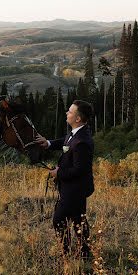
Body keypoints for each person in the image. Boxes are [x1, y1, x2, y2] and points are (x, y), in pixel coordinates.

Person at [36, 100, 94, 258]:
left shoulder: (82, 142)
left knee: (58, 220)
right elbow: (65, 142)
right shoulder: (76, 133)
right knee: (78, 219)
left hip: (74, 189)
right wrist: (47, 143)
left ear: (77, 119)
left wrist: (58, 173)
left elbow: (80, 170)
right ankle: (84, 252)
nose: (67, 113)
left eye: (70, 112)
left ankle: (66, 252)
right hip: (74, 188)